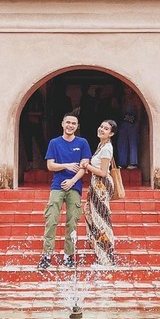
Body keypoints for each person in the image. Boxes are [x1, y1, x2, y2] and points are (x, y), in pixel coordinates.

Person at [37, 113, 91, 270]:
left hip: (75, 187)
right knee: (51, 219)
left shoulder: (82, 143)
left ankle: (68, 256)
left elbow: (84, 167)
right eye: (68, 122)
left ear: (77, 126)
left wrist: (72, 181)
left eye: (74, 123)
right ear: (62, 124)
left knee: (72, 221)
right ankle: (47, 255)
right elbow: (50, 166)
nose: (70, 125)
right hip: (57, 186)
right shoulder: (54, 143)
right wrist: (66, 165)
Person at [82, 119, 117, 267]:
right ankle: (99, 249)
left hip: (101, 185)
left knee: (102, 219)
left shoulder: (107, 148)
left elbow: (103, 172)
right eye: (101, 126)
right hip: (95, 184)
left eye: (106, 129)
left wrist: (87, 166)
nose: (102, 129)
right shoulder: (101, 145)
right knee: (90, 213)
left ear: (111, 133)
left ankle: (107, 257)